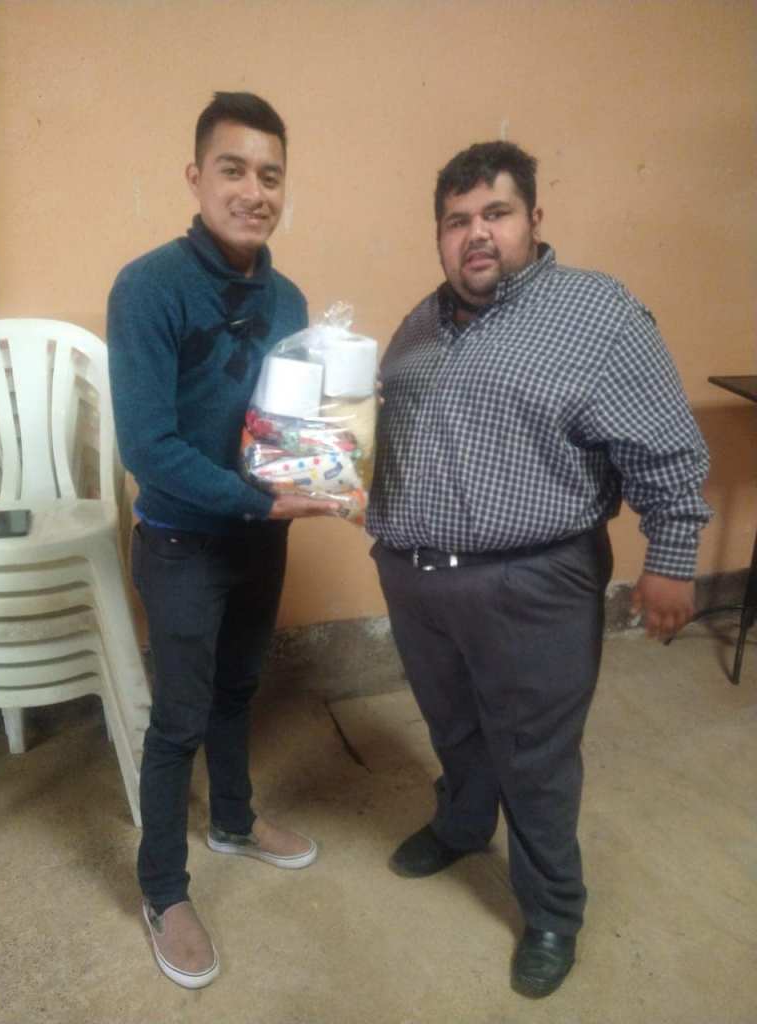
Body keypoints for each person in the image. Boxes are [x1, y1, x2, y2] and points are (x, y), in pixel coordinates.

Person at [367, 140, 711, 998]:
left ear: (533, 219)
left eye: (496, 213)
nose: (476, 234)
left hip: (533, 584)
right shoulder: (419, 325)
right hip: (418, 578)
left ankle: (553, 908)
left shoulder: (597, 316)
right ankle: (461, 825)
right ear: (439, 236)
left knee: (534, 757)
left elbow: (667, 449)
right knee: (453, 726)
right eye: (457, 221)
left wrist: (671, 560)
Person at [107, 92, 339, 990]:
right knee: (179, 718)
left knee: (241, 687)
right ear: (196, 177)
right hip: (182, 541)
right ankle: (163, 890)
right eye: (233, 170)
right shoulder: (148, 287)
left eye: (270, 175)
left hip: (257, 535)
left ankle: (234, 821)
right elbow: (148, 448)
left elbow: (292, 427)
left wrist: (333, 465)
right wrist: (258, 503)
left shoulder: (289, 301)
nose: (254, 191)